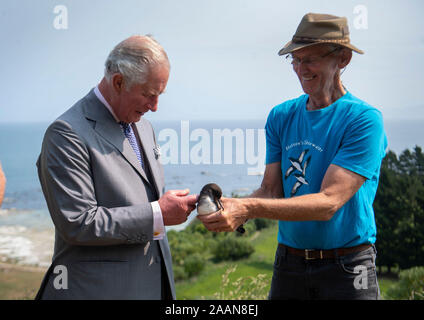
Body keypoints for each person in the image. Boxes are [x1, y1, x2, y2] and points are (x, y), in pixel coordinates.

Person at [198, 13, 387, 300]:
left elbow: (328, 203)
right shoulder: (281, 116)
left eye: (310, 59)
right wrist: (229, 208)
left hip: (349, 266)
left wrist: (248, 209)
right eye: (295, 60)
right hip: (289, 263)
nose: (300, 68)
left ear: (343, 59)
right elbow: (271, 190)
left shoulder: (363, 120)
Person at [36, 35, 197, 300]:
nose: (155, 107)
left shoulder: (143, 127)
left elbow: (144, 201)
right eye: (149, 94)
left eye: (160, 95)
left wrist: (178, 208)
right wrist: (158, 214)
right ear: (119, 82)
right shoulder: (66, 133)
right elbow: (78, 223)